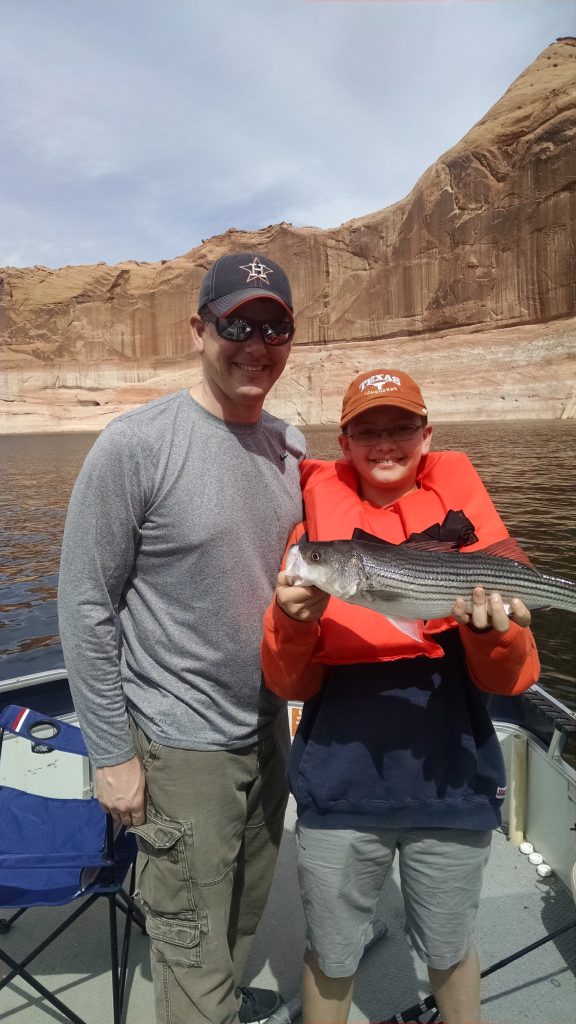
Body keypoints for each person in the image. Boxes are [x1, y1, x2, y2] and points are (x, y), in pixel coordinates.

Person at [58, 252, 307, 1024]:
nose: (255, 344)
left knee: (238, 924)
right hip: (180, 749)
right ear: (198, 329)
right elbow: (84, 605)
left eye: (274, 327)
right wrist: (112, 756)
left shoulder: (291, 447)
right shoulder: (136, 446)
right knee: (192, 949)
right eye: (238, 323)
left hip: (269, 736)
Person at [261, 368, 540, 1024]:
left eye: (400, 429)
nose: (385, 444)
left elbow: (514, 680)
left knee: (448, 946)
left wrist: (495, 638)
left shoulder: (470, 535)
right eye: (368, 431)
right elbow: (287, 683)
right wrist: (292, 621)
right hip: (339, 782)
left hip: (451, 780)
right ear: (346, 441)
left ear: (426, 434)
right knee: (332, 954)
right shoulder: (314, 547)